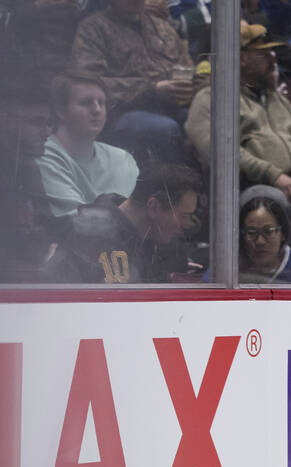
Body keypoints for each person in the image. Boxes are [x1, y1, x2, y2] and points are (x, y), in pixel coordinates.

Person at [187, 22, 291, 211]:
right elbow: (220, 152)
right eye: (264, 55)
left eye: (272, 53)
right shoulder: (210, 99)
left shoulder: (279, 101)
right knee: (277, 202)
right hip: (246, 191)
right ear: (241, 59)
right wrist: (274, 176)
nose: (273, 61)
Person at [70, 0, 194, 164]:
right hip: (123, 112)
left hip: (174, 103)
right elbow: (89, 83)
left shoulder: (162, 28)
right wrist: (152, 89)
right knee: (163, 129)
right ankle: (179, 187)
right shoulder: (93, 29)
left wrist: (191, 86)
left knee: (214, 117)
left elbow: (187, 68)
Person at [45, 162, 200, 284]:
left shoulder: (159, 241)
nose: (187, 225)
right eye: (183, 216)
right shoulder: (92, 241)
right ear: (153, 207)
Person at [37, 72, 140, 218]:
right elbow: (78, 222)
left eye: (101, 103)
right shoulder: (44, 153)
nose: (97, 109)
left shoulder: (122, 159)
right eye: (85, 103)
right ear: (60, 111)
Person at [0, 77, 57, 282]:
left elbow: (48, 225)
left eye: (49, 123)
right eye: (37, 122)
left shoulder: (28, 167)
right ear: (5, 121)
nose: (47, 132)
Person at [217, 185, 291, 284]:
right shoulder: (228, 265)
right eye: (251, 233)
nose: (260, 241)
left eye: (268, 231)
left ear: (283, 233)